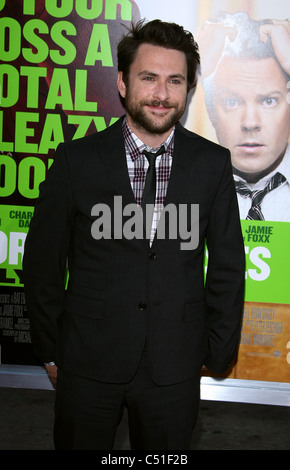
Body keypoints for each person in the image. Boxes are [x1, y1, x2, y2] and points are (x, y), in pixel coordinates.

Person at [23, 19, 245, 450]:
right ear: (123, 83)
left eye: (175, 81)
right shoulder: (76, 160)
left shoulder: (212, 163)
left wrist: (216, 352)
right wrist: (51, 350)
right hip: (86, 360)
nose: (162, 94)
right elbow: (42, 262)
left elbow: (227, 267)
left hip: (175, 364)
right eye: (149, 78)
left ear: (188, 89)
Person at [198, 13, 290, 221]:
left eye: (268, 101)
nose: (250, 123)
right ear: (211, 111)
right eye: (232, 102)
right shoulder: (184, 181)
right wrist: (194, 71)